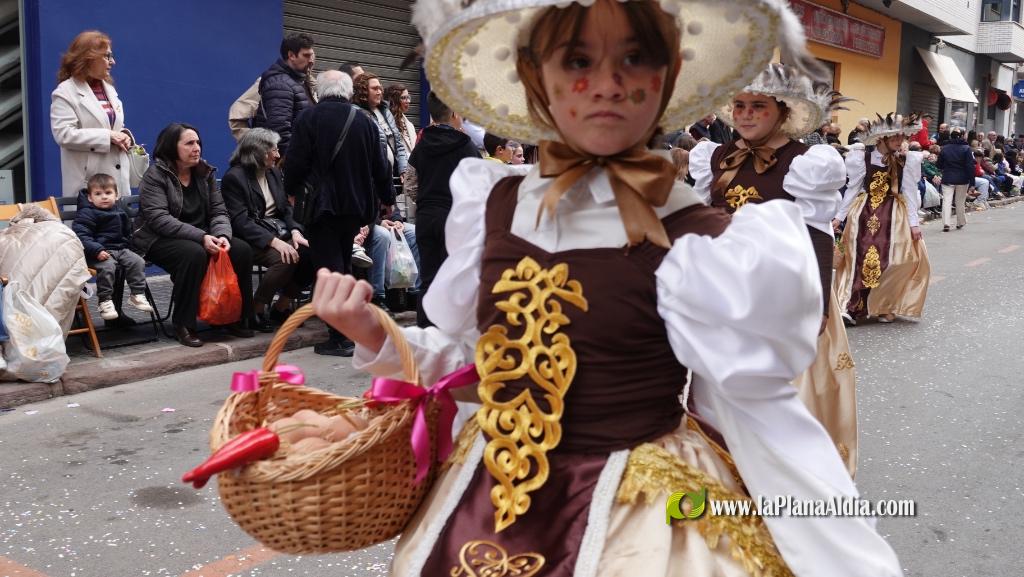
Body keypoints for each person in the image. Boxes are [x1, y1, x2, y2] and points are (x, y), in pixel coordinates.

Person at [313, 0, 902, 574]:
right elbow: (481, 364)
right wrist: (376, 333)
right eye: (577, 60)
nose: (607, 84)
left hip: (638, 523)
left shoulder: (696, 235)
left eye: (635, 58)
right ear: (534, 76)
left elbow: (753, 405)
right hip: (484, 504)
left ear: (667, 79)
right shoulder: (494, 203)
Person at [689, 63, 857, 475]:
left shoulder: (806, 163)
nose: (745, 114)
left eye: (757, 106)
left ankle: (781, 486)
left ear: (782, 111)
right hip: (725, 294)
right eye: (739, 105)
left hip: (784, 295)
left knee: (777, 399)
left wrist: (819, 304)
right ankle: (720, 482)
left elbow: (818, 232)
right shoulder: (715, 157)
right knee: (715, 397)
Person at [284, 70, 394, 356]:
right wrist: (387, 199)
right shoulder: (365, 121)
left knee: (331, 270)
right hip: (356, 207)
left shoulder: (308, 118)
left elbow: (295, 161)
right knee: (343, 265)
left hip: (322, 207)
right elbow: (381, 165)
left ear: (319, 91)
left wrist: (291, 190)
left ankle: (341, 337)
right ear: (348, 91)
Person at [133, 123, 255, 347]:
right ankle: (184, 324)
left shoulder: (205, 173)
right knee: (194, 254)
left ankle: (233, 317)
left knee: (241, 250)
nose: (196, 148)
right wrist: (202, 237)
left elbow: (219, 211)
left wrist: (222, 235)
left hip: (201, 236)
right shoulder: (155, 176)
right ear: (172, 147)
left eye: (198, 142)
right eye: (189, 143)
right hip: (158, 239)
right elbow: (159, 219)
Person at [833, 114, 930, 326]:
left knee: (895, 260)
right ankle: (851, 307)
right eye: (895, 137)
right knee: (858, 258)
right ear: (882, 138)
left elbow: (909, 193)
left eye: (902, 137)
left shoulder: (906, 160)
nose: (899, 141)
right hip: (864, 214)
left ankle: (885, 305)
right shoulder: (863, 158)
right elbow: (853, 189)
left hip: (893, 216)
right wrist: (839, 216)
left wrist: (914, 224)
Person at [220, 128, 312, 331]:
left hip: (278, 231)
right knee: (285, 257)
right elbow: (241, 221)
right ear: (257, 152)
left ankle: (281, 307)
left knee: (312, 252)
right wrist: (275, 242)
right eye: (273, 150)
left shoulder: (273, 172)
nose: (278, 155)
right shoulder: (234, 178)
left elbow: (285, 207)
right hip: (251, 238)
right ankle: (257, 308)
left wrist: (296, 231)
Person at [408, 91, 481, 327]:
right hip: (455, 219)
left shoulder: (421, 144)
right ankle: (448, 329)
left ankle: (425, 329)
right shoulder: (466, 146)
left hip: (426, 216)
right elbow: (478, 185)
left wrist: (425, 200)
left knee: (428, 277)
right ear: (454, 113)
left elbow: (410, 184)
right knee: (453, 278)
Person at [51, 30, 134, 196]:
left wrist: (124, 135)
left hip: (117, 185)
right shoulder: (65, 92)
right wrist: (108, 136)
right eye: (107, 56)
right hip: (89, 189)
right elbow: (64, 134)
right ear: (89, 58)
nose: (113, 62)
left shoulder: (109, 89)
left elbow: (112, 126)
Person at [71, 173, 154, 321]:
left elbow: (128, 234)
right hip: (96, 253)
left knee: (137, 261)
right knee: (108, 267)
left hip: (120, 249)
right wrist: (97, 250)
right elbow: (82, 236)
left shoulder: (119, 212)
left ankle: (137, 294)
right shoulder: (86, 213)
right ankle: (105, 301)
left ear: (116, 195)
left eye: (108, 193)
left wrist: (134, 250)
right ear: (90, 198)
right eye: (98, 194)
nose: (104, 197)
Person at [254, 33, 316, 157]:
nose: (311, 60)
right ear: (291, 55)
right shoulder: (280, 84)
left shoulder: (298, 81)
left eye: (312, 55)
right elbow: (279, 131)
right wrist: (298, 159)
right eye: (306, 55)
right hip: (286, 161)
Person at [353, 72, 409, 179]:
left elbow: (398, 144)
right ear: (363, 91)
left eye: (380, 88)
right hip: (373, 177)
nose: (379, 92)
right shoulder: (357, 113)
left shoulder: (385, 111)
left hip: (393, 177)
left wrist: (403, 169)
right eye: (375, 89)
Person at [935, 128, 975, 232]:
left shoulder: (945, 148)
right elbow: (970, 166)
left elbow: (939, 164)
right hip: (963, 178)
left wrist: (946, 167)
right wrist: (972, 182)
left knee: (946, 200)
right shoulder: (966, 148)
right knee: (960, 201)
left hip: (948, 177)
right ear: (961, 136)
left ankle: (946, 223)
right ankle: (960, 222)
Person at [385, 83, 418, 156]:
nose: (408, 101)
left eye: (408, 97)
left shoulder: (410, 125)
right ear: (394, 100)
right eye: (403, 98)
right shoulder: (385, 122)